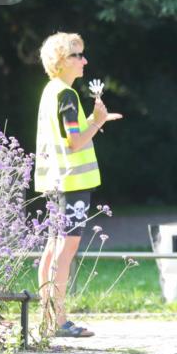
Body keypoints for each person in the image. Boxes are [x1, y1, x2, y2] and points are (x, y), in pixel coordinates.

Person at [35, 32, 122, 337]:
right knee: (65, 248)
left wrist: (95, 120)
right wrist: (97, 122)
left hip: (55, 180)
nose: (84, 61)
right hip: (72, 182)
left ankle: (45, 317)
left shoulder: (52, 91)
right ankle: (59, 321)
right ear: (61, 61)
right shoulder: (67, 95)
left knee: (51, 249)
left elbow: (66, 135)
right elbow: (74, 142)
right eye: (77, 55)